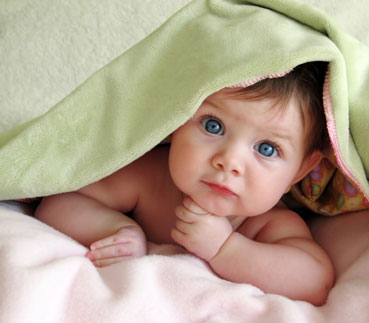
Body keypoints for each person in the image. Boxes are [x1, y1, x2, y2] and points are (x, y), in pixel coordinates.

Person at [35, 61, 335, 306]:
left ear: (298, 172)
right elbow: (60, 201)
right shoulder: (151, 179)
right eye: (212, 125)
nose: (229, 161)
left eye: (267, 148)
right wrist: (115, 229)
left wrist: (226, 249)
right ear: (175, 121)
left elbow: (314, 282)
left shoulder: (268, 224)